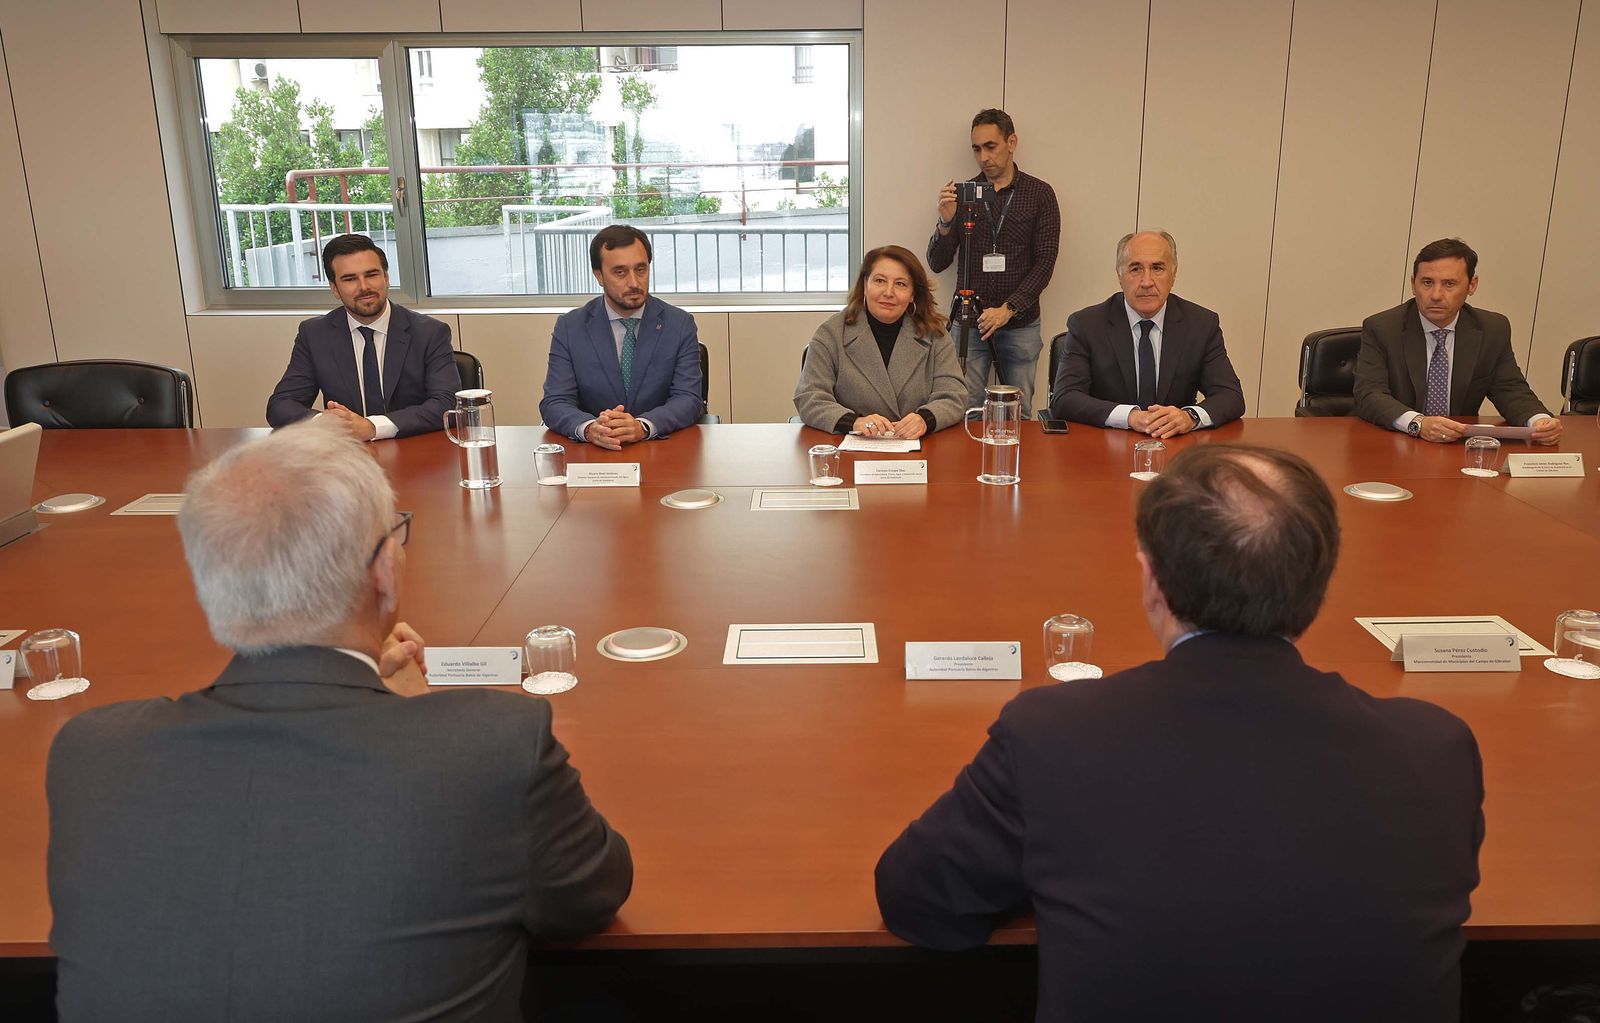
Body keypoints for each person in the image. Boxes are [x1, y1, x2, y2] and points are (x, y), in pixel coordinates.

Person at [876, 444, 1484, 1023]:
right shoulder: (1436, 751)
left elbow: (918, 900)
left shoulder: (1053, 736)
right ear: (1318, 583)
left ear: (1152, 582)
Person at [47, 421, 632, 1022]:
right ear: (382, 569)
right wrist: (418, 718)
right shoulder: (494, 747)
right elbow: (592, 894)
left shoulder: (92, 755)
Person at [1354, 237, 1561, 445]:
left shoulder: (1492, 329)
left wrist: (1539, 421)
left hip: (1459, 447)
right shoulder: (1383, 328)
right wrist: (1418, 423)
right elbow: (1369, 394)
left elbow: (1510, 389)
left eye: (1449, 284)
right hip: (1396, 443)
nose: (1435, 295)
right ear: (1413, 284)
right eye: (1427, 282)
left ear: (1472, 285)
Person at [927, 108, 1060, 418]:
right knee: (965, 409)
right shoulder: (964, 195)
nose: (983, 156)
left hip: (1020, 322)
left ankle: (1015, 466)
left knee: (1019, 412)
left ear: (1011, 142)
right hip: (969, 320)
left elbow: (1045, 261)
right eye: (976, 148)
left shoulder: (1039, 194)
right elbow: (936, 262)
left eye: (991, 146)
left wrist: (1008, 309)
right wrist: (945, 223)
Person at [1050, 230, 1245, 436]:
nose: (1146, 282)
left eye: (1158, 268)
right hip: (1107, 445)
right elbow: (1065, 398)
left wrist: (1189, 417)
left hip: (1174, 448)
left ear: (1173, 275)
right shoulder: (1087, 325)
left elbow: (1230, 396)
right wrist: (1130, 417)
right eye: (1135, 269)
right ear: (1119, 275)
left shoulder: (1201, 324)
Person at [266, 233, 459, 439]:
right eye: (350, 279)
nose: (364, 286)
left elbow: (448, 404)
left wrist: (373, 427)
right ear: (335, 289)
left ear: (386, 278)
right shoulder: (315, 335)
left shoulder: (430, 332)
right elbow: (280, 405)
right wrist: (324, 422)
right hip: (347, 458)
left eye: (372, 275)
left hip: (414, 451)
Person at [540, 224, 704, 449]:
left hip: (661, 449)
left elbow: (689, 399)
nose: (634, 283)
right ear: (599, 275)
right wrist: (589, 429)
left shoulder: (679, 324)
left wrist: (643, 426)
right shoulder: (570, 327)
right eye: (620, 272)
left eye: (641, 269)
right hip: (594, 456)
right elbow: (555, 402)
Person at [794, 244, 966, 438]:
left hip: (919, 448)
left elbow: (954, 395)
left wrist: (924, 419)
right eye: (879, 281)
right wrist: (854, 422)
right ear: (865, 286)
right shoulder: (831, 333)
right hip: (850, 448)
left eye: (901, 284)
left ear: (912, 295)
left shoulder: (935, 334)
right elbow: (809, 397)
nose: (888, 292)